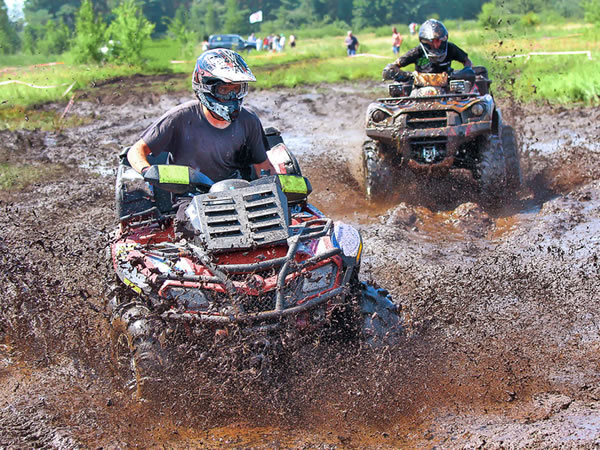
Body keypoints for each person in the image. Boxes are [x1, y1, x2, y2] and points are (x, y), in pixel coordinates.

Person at [128, 49, 276, 183]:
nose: (232, 95)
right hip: (189, 195)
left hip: (235, 189)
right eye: (224, 89)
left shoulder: (248, 119)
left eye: (236, 89)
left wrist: (275, 191)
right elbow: (136, 151)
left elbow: (261, 164)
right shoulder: (180, 118)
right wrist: (147, 171)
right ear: (205, 87)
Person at [386, 19, 472, 76]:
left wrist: (465, 71)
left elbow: (466, 60)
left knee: (479, 71)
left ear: (443, 39)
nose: (436, 45)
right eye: (432, 41)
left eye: (438, 40)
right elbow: (395, 65)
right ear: (425, 41)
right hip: (421, 87)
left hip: (448, 83)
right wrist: (407, 75)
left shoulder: (450, 48)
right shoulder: (418, 51)